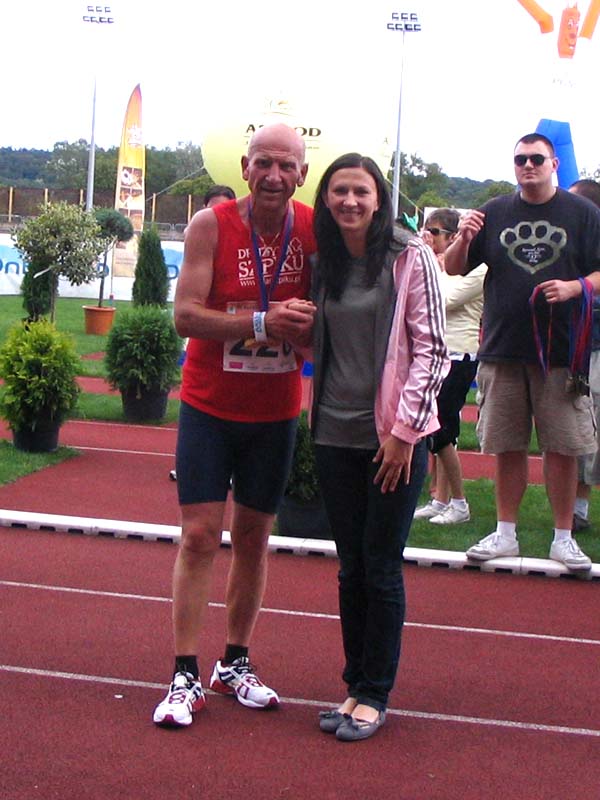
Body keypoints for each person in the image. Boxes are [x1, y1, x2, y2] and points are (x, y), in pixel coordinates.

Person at [153, 123, 317, 727]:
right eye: (263, 163)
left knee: (253, 539)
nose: (274, 176)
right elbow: (184, 316)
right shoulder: (211, 225)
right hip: (209, 407)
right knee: (199, 536)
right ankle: (184, 673)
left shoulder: (313, 229)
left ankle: (235, 662)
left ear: (302, 174)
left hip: (274, 412)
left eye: (286, 166)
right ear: (245, 168)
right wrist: (262, 322)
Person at [311, 153, 448, 742]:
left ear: (379, 198)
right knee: (351, 569)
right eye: (339, 190)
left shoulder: (410, 256)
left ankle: (374, 694)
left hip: (393, 439)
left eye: (360, 191)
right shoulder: (326, 260)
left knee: (381, 566)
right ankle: (353, 684)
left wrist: (403, 434)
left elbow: (433, 351)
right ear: (326, 198)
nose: (349, 201)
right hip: (332, 432)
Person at [444, 132, 600, 571]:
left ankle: (564, 537)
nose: (528, 166)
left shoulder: (583, 213)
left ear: (554, 164)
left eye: (536, 159)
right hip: (503, 347)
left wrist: (575, 287)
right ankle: (505, 533)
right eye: (520, 160)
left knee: (563, 448)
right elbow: (454, 267)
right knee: (507, 445)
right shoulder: (494, 211)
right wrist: (462, 238)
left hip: (561, 352)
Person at [414, 208, 487, 524]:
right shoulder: (440, 266)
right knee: (439, 428)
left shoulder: (480, 267)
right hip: (436, 352)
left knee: (442, 430)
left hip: (460, 354)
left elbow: (441, 299)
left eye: (435, 232)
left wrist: (433, 265)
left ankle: (459, 502)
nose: (429, 237)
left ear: (455, 236)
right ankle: (440, 498)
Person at [168, 185, 237, 483]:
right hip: (202, 325)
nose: (217, 213)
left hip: (236, 332)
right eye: (212, 208)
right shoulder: (198, 232)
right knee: (196, 391)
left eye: (223, 207)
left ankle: (232, 467)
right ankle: (190, 459)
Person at [570, 178, 600, 530]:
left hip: (595, 353)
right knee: (577, 432)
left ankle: (579, 510)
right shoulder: (574, 245)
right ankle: (577, 511)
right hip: (576, 352)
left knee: (592, 432)